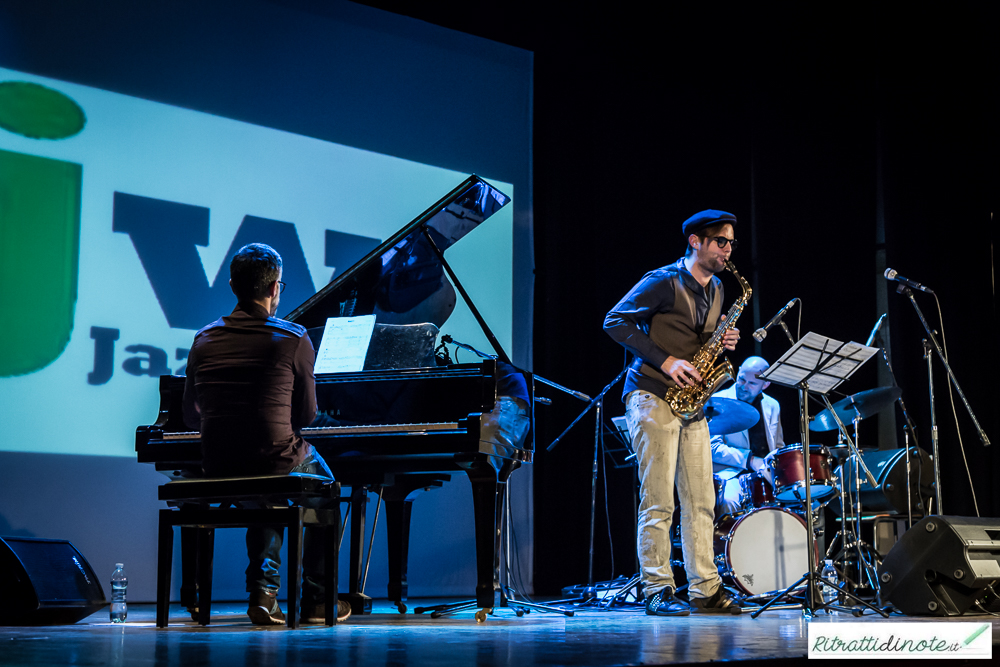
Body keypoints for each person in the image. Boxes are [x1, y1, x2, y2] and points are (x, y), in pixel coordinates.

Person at [182, 243, 351, 625]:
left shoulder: (203, 339)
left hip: (218, 463)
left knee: (269, 485)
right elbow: (306, 415)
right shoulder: (293, 338)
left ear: (231, 285)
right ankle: (318, 599)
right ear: (275, 288)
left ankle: (264, 593)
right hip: (275, 461)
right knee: (326, 485)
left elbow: (191, 415)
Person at [604, 210, 742, 616]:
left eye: (731, 243)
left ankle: (705, 589)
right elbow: (615, 321)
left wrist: (723, 338)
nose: (728, 250)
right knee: (659, 500)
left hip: (693, 402)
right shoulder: (662, 280)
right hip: (651, 393)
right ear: (695, 242)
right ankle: (657, 588)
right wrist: (665, 361)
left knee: (701, 500)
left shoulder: (717, 288)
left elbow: (700, 341)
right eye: (721, 241)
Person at [711, 356, 784, 515]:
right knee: (729, 502)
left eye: (752, 383)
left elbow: (778, 446)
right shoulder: (717, 401)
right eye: (741, 379)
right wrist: (750, 460)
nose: (744, 386)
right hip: (731, 473)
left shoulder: (772, 405)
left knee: (800, 499)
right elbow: (713, 448)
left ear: (765, 384)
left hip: (765, 472)